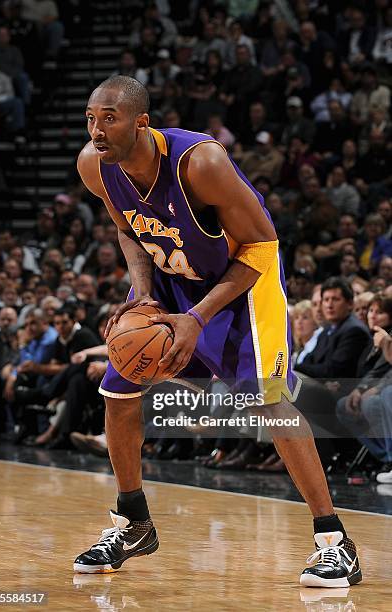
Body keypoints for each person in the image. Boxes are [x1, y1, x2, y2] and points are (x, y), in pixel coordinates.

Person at [73, 75, 362, 587]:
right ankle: (133, 521)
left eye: (109, 118)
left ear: (141, 122)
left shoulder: (199, 163)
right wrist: (142, 294)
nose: (96, 130)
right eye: (90, 118)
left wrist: (197, 317)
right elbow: (128, 229)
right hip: (170, 278)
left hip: (240, 282)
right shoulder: (95, 167)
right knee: (116, 392)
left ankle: (334, 540)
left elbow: (262, 245)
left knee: (269, 400)